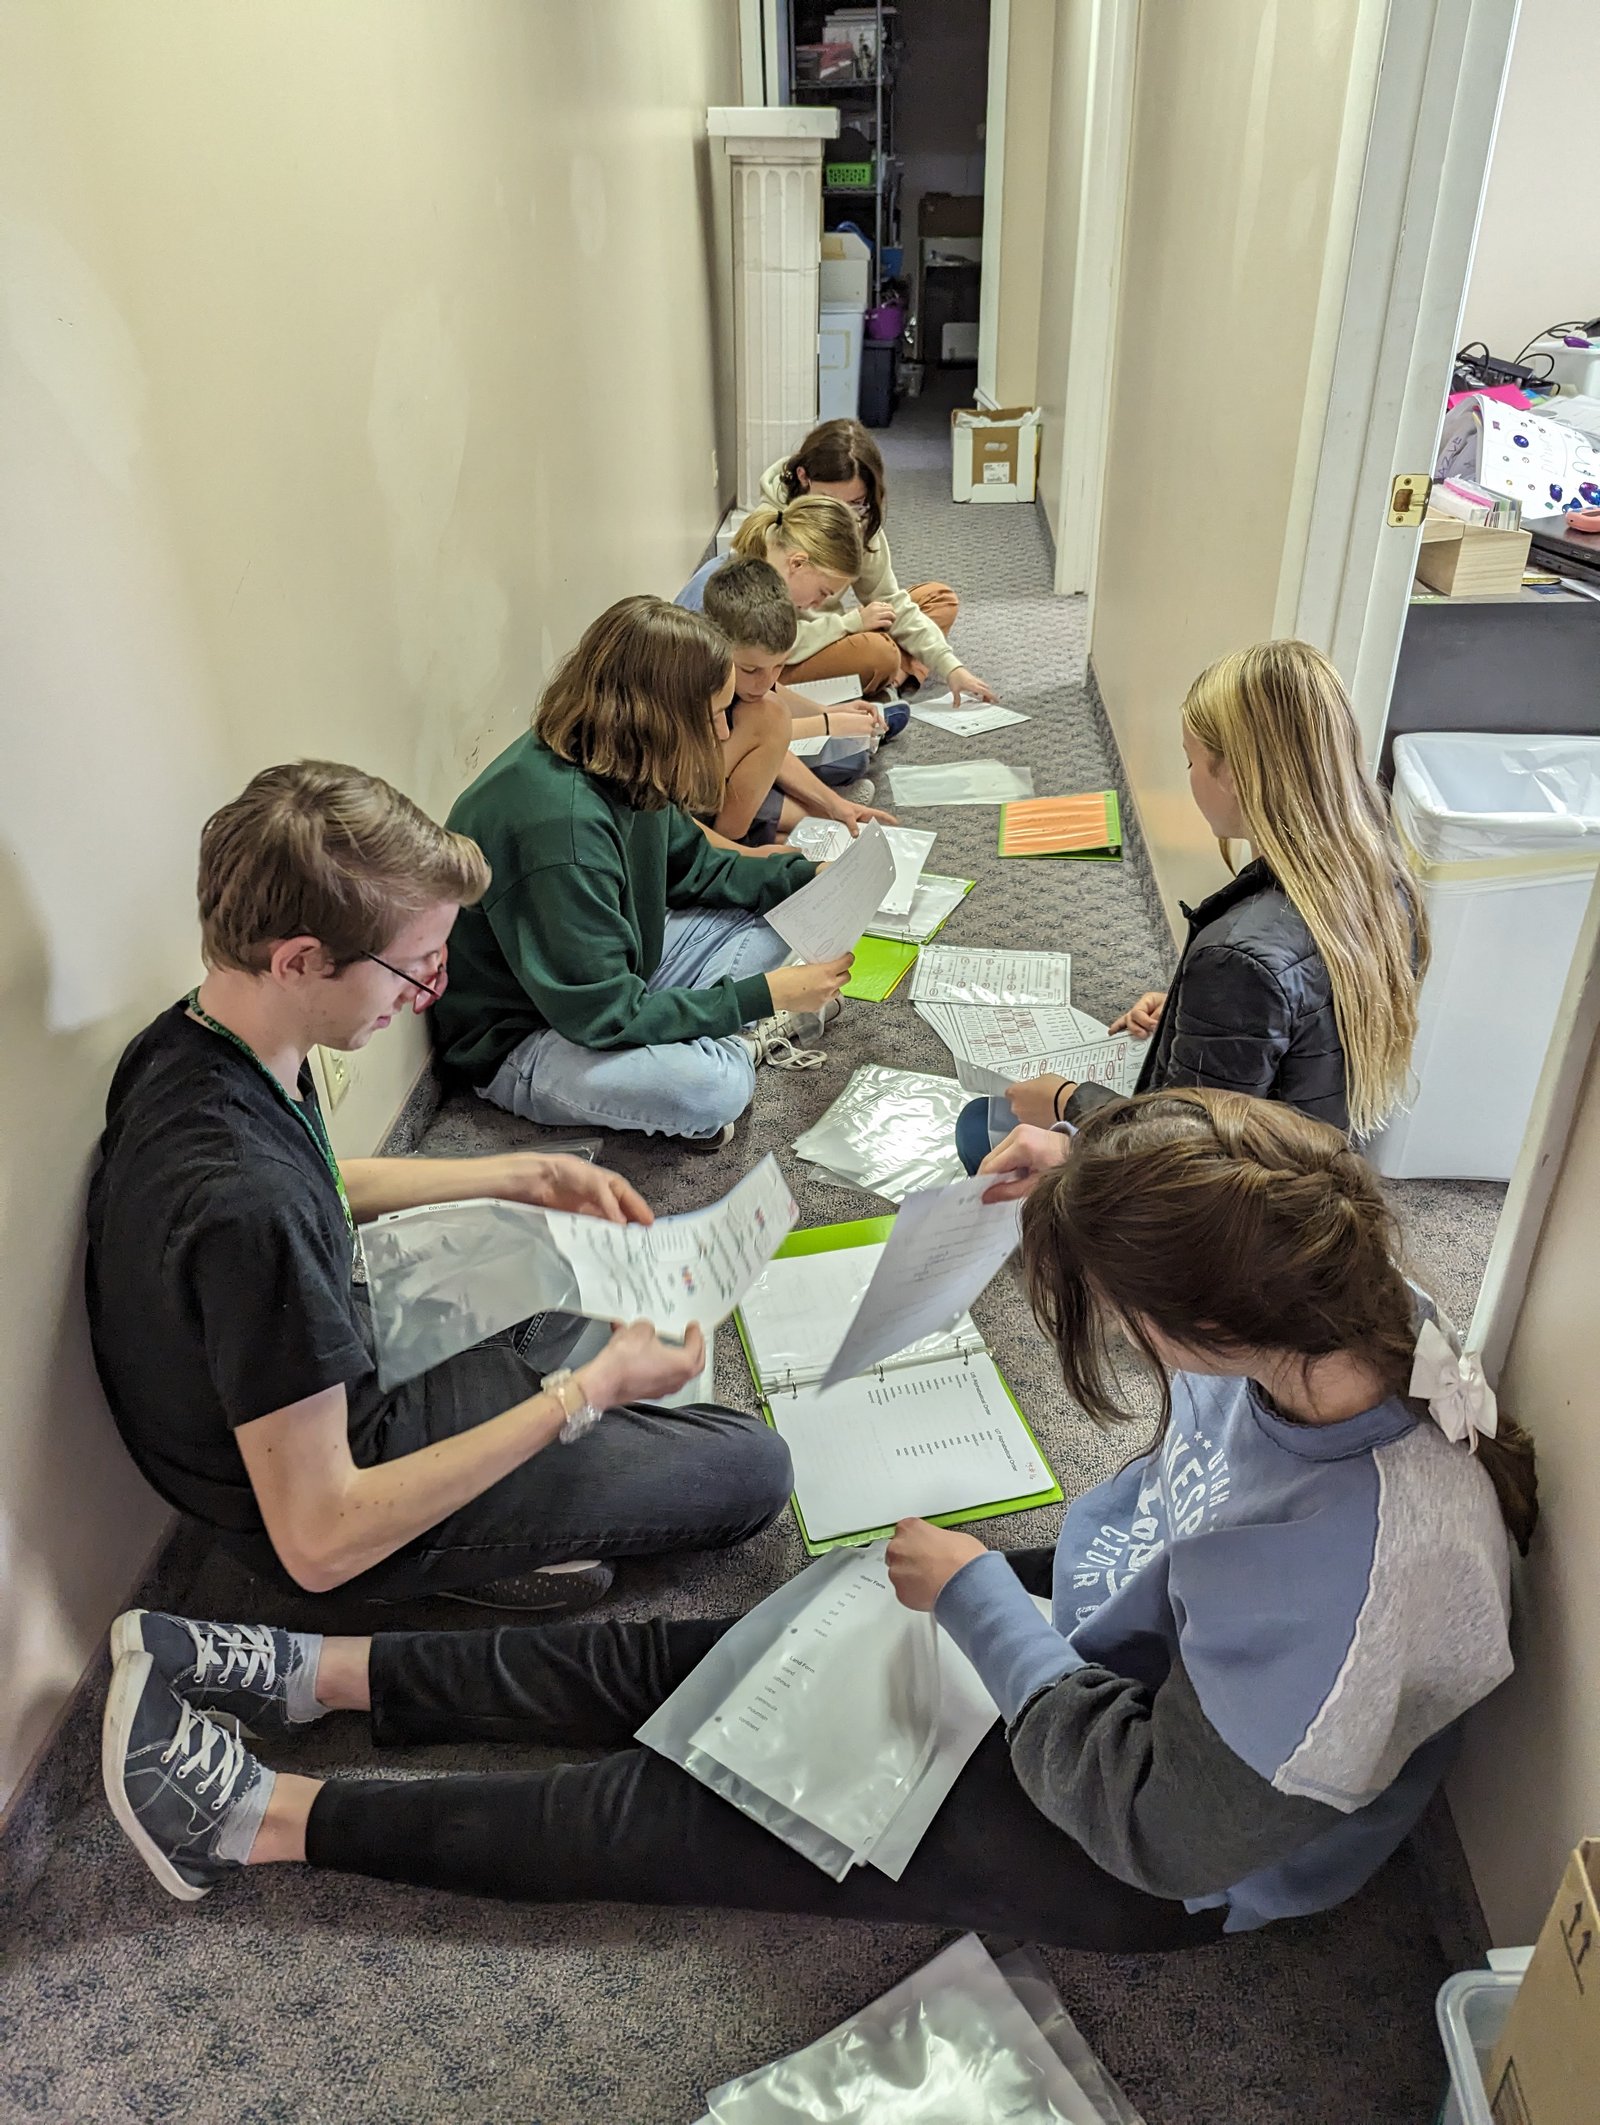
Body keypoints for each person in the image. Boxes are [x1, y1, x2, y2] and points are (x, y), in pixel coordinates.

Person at [103, 1089, 1532, 1950]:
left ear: (1199, 1322)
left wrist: (981, 1605)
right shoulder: (1321, 1288)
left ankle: (267, 1821)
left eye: (1122, 1312)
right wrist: (1083, 1163)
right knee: (742, 1646)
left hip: (1161, 1841)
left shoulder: (1356, 1586)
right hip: (1139, 1636)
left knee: (704, 1803)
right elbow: (1191, 1176)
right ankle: (327, 1674)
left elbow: (1161, 1829)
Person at [84, 762, 794, 1616]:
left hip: (316, 1363)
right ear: (301, 961)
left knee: (576, 1257)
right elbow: (320, 1540)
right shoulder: (250, 1207)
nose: (426, 993)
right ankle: (469, 1538)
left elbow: (312, 1182)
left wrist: (520, 1172)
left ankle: (517, 1412)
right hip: (330, 1501)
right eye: (412, 969)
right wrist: (585, 1395)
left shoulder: (194, 1040)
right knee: (753, 1468)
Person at [955, 638, 1429, 1175]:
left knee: (983, 1129)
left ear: (1233, 775)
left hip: (1240, 1202)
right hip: (1312, 1167)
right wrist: (1192, 1008)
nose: (1189, 776)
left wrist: (1067, 1101)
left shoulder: (1239, 957)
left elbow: (1186, 1161)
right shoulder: (1384, 882)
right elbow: (1300, 1021)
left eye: (1191, 760)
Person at [431, 596, 853, 1148]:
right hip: (530, 1036)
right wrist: (761, 998)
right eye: (714, 716)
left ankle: (711, 1035)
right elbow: (603, 1017)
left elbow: (696, 866)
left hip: (611, 976)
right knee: (713, 1090)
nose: (724, 734)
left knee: (786, 914)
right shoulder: (559, 828)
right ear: (661, 718)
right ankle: (736, 1044)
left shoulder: (622, 757)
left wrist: (806, 879)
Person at [762, 417, 996, 704]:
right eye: (831, 501)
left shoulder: (859, 521)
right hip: (787, 652)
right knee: (879, 652)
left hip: (835, 631)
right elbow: (767, 643)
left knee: (938, 599)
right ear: (803, 477)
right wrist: (851, 624)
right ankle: (887, 678)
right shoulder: (772, 532)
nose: (846, 516)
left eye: (855, 503)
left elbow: (890, 601)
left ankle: (887, 680)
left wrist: (951, 667)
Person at [697, 555, 898, 846]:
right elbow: (765, 737)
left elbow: (770, 752)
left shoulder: (747, 667)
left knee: (797, 832)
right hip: (696, 803)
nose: (765, 682)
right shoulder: (699, 677)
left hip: (724, 785)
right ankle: (743, 845)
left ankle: (809, 820)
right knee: (771, 717)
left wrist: (833, 805)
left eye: (779, 666)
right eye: (751, 670)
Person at [678, 494, 907, 726]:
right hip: (699, 715)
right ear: (797, 563)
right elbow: (711, 722)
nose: (818, 605)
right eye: (823, 592)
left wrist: (825, 713)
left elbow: (768, 684)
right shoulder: (716, 602)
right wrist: (827, 724)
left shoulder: (758, 581)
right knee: (880, 653)